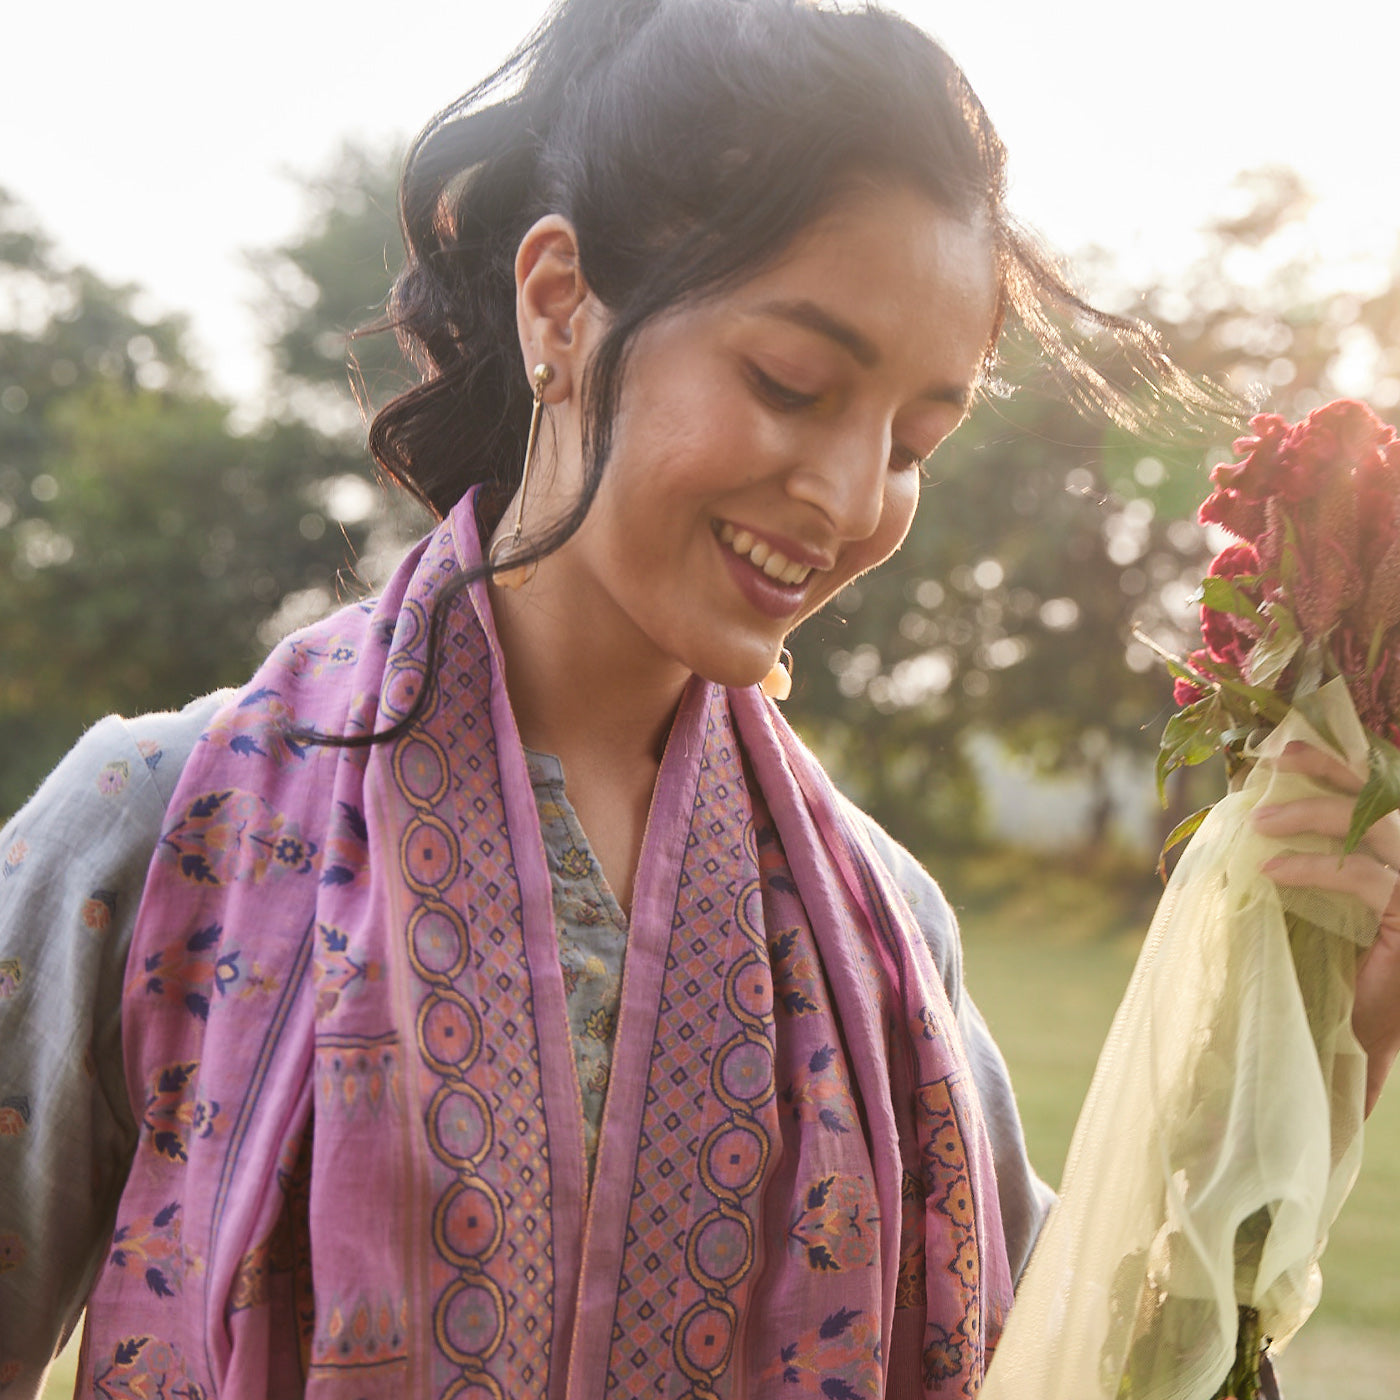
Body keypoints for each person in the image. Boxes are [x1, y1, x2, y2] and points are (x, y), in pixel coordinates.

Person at [2, 1, 1397, 1397]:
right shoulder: (165, 825)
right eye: (791, 384)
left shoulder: (884, 934)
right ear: (558, 305)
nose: (853, 500)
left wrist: (1305, 1056)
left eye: (915, 441)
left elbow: (1101, 1370)